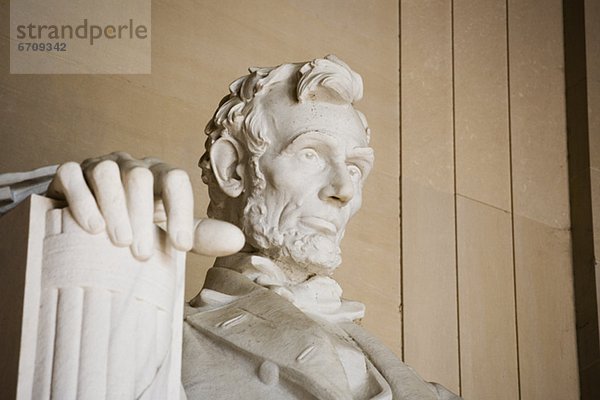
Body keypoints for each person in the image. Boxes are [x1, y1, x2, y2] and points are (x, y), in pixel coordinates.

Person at [2, 56, 460, 399]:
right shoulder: (162, 337)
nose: (343, 189)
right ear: (233, 169)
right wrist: (77, 211)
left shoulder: (422, 383)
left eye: (356, 168)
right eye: (311, 154)